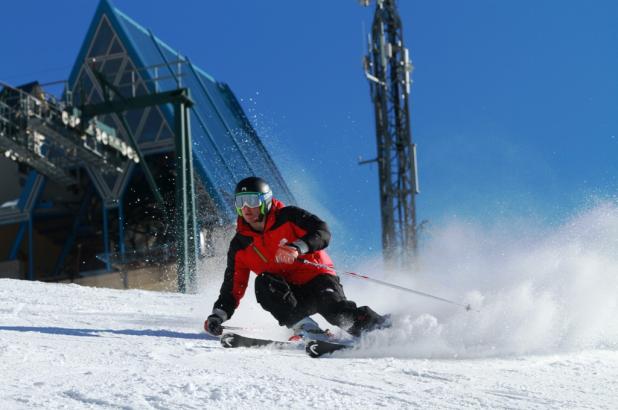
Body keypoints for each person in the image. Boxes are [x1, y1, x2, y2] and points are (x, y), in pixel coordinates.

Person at [204, 176, 389, 339]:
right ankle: (305, 328)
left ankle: (382, 330)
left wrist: (297, 247)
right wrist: (218, 315)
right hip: (289, 295)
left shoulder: (288, 217)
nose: (246, 208)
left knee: (338, 314)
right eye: (240, 201)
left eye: (252, 200)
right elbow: (232, 285)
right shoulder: (240, 244)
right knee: (263, 283)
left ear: (265, 201)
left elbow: (322, 231)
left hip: (318, 279)